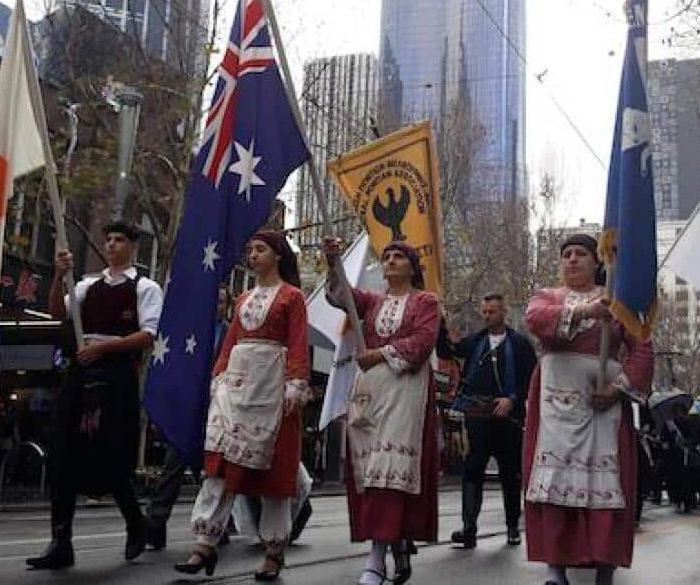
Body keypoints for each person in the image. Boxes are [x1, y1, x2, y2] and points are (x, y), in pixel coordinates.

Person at [174, 231, 311, 580]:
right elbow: (231, 341)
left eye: (260, 249)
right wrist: (218, 378)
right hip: (235, 387)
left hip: (271, 388)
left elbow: (298, 343)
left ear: (278, 255)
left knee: (273, 471)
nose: (253, 255)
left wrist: (296, 384)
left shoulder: (293, 297)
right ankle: (204, 545)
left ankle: (274, 551)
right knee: (219, 464)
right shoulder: (244, 299)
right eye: (250, 249)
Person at [27, 221, 163, 569]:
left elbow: (148, 335)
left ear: (134, 246)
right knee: (64, 455)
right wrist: (59, 276)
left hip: (116, 379)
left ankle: (135, 522)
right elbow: (57, 313)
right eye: (109, 239)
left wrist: (105, 348)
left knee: (111, 454)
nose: (112, 245)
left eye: (120, 240)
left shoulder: (145, 287)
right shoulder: (87, 284)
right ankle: (60, 540)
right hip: (80, 375)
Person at [523, 233, 653, 585]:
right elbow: (536, 320)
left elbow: (641, 348)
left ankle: (605, 570)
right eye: (566, 254)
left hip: (603, 405)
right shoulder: (547, 296)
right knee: (553, 483)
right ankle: (555, 570)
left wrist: (617, 389)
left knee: (605, 485)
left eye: (581, 253)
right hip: (554, 404)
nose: (573, 259)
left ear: (598, 262)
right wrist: (584, 311)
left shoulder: (618, 301)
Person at [324, 238, 441, 585]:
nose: (389, 261)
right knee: (369, 471)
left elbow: (422, 343)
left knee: (389, 471)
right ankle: (394, 542)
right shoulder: (373, 302)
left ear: (412, 266)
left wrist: (378, 354)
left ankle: (376, 561)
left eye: (398, 257)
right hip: (370, 394)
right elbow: (341, 295)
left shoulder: (426, 301)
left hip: (406, 392)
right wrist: (333, 261)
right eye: (386, 256)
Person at [441, 293, 537, 548]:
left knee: (510, 474)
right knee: (472, 471)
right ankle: (469, 528)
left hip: (509, 420)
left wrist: (513, 400)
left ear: (503, 312)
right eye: (484, 312)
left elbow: (533, 378)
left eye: (492, 311)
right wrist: (439, 320)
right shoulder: (474, 342)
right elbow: (446, 350)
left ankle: (512, 527)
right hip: (478, 418)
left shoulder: (520, 344)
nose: (487, 316)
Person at [145, 286, 234, 551]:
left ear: (226, 306)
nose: (215, 306)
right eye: (212, 300)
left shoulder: (230, 333)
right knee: (172, 466)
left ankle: (219, 525)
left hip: (216, 412)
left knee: (211, 474)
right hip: (188, 414)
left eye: (220, 302)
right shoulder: (190, 331)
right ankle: (154, 526)